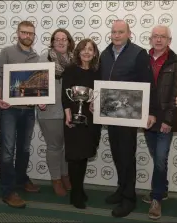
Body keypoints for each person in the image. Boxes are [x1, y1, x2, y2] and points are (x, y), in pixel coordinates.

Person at [99, 20, 157, 218]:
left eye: (120, 32)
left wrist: (150, 112)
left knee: (126, 155)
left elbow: (148, 83)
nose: (116, 35)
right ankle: (121, 188)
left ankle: (129, 198)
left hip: (130, 113)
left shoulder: (139, 53)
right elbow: (100, 82)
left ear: (129, 33)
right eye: (114, 32)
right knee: (116, 152)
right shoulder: (105, 54)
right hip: (110, 112)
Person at [0, 21, 44, 208]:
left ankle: (21, 179)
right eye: (24, 32)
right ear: (18, 33)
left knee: (24, 148)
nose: (27, 36)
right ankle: (7, 191)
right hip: (9, 110)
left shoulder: (37, 57)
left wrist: (42, 99)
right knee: (8, 150)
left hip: (29, 110)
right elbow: (0, 78)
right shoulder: (7, 52)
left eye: (30, 33)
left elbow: (38, 84)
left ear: (34, 35)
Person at [142, 25, 177, 220]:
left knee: (160, 159)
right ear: (150, 39)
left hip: (165, 120)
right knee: (156, 156)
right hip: (146, 118)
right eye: (155, 36)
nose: (158, 40)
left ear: (169, 40)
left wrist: (169, 120)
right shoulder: (142, 60)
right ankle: (163, 188)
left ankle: (157, 198)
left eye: (163, 37)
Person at [61, 38, 101, 209]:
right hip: (74, 117)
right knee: (74, 156)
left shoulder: (97, 72)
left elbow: (99, 93)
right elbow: (65, 94)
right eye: (83, 49)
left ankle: (79, 188)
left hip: (90, 118)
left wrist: (96, 103)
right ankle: (75, 194)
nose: (86, 52)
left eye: (90, 49)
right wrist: (68, 113)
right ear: (78, 51)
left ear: (94, 53)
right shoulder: (70, 70)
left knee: (84, 155)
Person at [37, 28, 75, 197]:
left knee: (66, 146)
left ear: (69, 42)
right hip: (49, 111)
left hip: (69, 111)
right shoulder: (43, 59)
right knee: (54, 147)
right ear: (52, 42)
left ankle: (65, 175)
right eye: (57, 39)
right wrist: (38, 99)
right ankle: (56, 179)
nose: (60, 41)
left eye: (64, 39)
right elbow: (35, 84)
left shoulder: (74, 60)